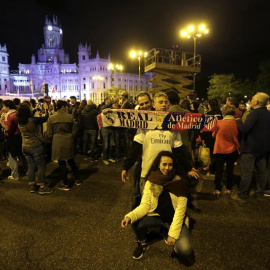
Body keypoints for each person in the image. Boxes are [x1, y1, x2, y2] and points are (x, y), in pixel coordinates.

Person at [121, 151, 195, 266]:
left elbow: (180, 211)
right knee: (133, 221)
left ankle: (165, 231)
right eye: (164, 164)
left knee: (185, 250)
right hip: (156, 217)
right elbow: (145, 205)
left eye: (170, 165)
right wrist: (129, 216)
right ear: (158, 165)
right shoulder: (151, 181)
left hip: (174, 220)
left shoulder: (180, 182)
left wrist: (173, 234)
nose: (167, 168)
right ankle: (143, 243)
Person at [234, 92, 270, 201]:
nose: (251, 101)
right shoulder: (268, 114)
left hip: (250, 147)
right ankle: (259, 192)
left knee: (247, 172)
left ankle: (243, 194)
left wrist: (238, 121)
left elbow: (245, 129)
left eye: (253, 99)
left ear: (257, 102)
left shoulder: (254, 114)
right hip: (264, 148)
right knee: (262, 172)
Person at [16, 102, 53, 194]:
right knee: (41, 166)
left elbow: (30, 115)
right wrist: (47, 109)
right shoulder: (33, 120)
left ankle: (32, 186)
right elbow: (45, 118)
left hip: (25, 146)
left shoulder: (20, 121)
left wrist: (35, 109)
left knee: (31, 166)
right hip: (35, 146)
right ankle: (42, 187)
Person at [47, 100, 80, 190]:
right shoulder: (70, 117)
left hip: (57, 140)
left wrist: (52, 140)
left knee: (61, 163)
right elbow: (75, 130)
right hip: (68, 139)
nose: (67, 108)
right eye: (66, 106)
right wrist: (71, 136)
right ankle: (77, 179)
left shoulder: (51, 118)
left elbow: (49, 134)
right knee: (71, 160)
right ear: (62, 107)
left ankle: (65, 183)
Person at [212, 105, 240, 198]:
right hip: (232, 149)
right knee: (230, 170)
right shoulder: (237, 123)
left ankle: (217, 189)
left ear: (224, 113)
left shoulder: (219, 122)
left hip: (220, 149)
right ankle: (228, 188)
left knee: (219, 170)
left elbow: (213, 135)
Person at [0, 100, 25, 180]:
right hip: (18, 136)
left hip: (11, 137)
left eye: (4, 106)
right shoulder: (16, 113)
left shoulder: (9, 115)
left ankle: (15, 174)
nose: (3, 108)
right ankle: (27, 169)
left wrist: (0, 122)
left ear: (8, 107)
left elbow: (7, 128)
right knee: (21, 154)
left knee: (11, 156)